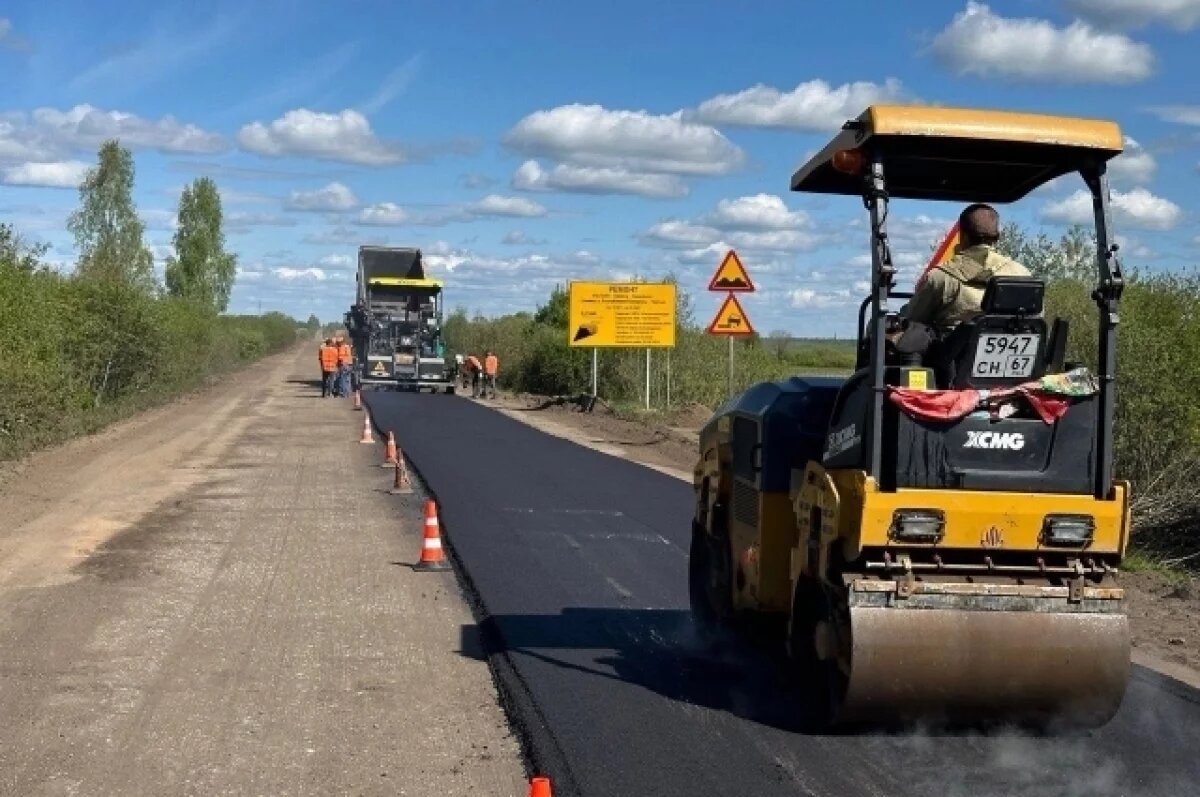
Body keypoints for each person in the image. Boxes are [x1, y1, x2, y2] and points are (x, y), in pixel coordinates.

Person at [900, 203, 1031, 332]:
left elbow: (912, 322)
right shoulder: (1023, 274)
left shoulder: (940, 277)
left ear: (963, 235)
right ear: (997, 237)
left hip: (951, 352)